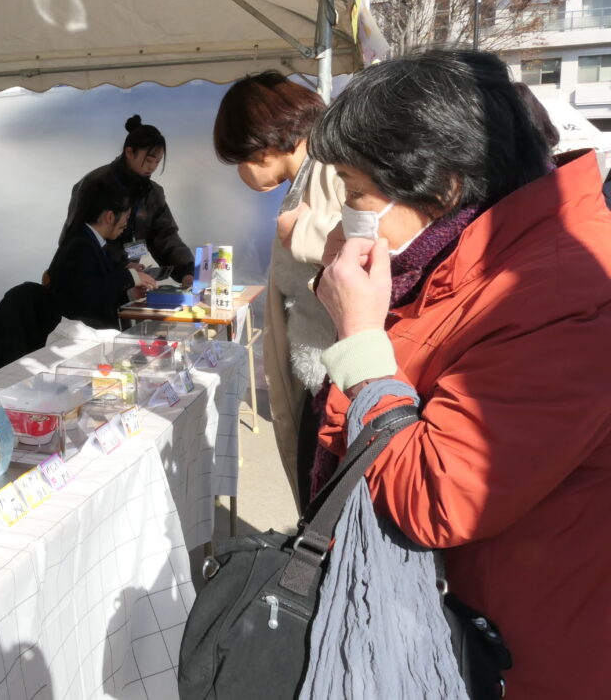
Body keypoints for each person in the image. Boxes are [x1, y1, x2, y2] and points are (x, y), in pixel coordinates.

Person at [310, 49, 611, 699]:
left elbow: (437, 494)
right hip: (454, 630)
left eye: (356, 192)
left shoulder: (559, 289)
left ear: (443, 187)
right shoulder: (467, 261)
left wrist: (359, 337)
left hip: (521, 659)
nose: (348, 215)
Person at [212, 71, 344, 510]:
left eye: (238, 161)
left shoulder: (332, 171)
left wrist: (303, 236)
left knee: (324, 506)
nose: (241, 173)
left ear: (263, 147)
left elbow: (373, 249)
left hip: (336, 385)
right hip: (320, 376)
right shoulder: (306, 177)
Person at [60, 115, 194, 285]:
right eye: (148, 160)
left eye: (157, 161)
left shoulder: (152, 192)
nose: (152, 167)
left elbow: (166, 236)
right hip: (91, 280)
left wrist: (186, 271)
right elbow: (78, 237)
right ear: (129, 152)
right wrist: (121, 263)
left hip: (129, 280)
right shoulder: (95, 184)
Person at [48, 177, 157, 329]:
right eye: (126, 216)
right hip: (83, 333)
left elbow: (101, 282)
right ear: (110, 217)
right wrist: (130, 277)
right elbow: (89, 294)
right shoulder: (80, 246)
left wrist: (131, 285)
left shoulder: (90, 240)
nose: (126, 224)